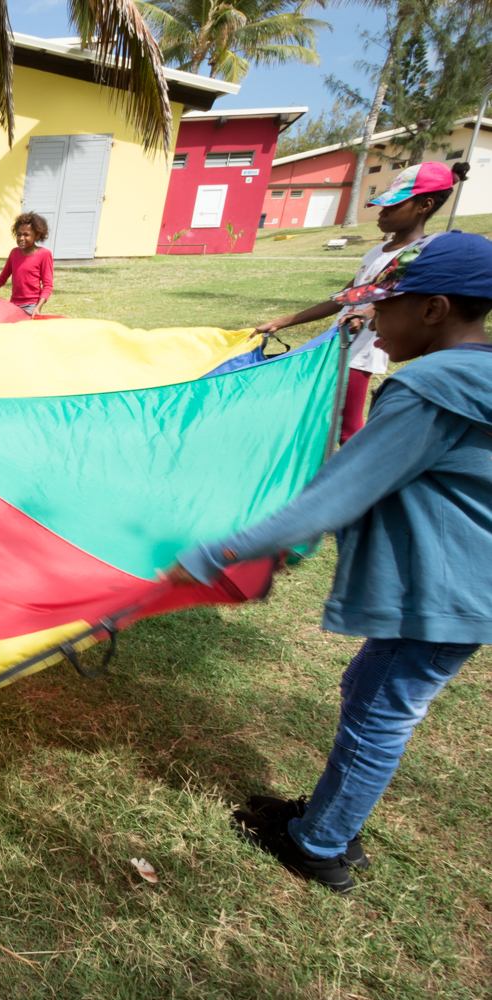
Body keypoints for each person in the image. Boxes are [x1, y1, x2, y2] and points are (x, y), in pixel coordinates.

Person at [168, 231, 492, 893]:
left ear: (434, 310)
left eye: (387, 305)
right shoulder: (479, 374)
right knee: (370, 691)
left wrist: (212, 554)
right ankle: (331, 817)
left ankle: (319, 843)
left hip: (443, 592)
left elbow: (337, 494)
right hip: (464, 587)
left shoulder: (430, 387)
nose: (372, 317)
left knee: (379, 712)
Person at [254, 161, 470, 443]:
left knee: (347, 427)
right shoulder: (377, 251)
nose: (382, 213)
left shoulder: (418, 254)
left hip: (363, 351)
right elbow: (344, 300)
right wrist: (282, 322)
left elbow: (395, 297)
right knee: (321, 415)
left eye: (393, 207)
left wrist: (365, 315)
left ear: (424, 206)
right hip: (339, 345)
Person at [0, 213, 53, 315]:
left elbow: (48, 285)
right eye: (19, 234)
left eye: (26, 234)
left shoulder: (44, 254)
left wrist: (37, 307)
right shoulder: (14, 253)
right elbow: (1, 279)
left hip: (31, 306)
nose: (21, 238)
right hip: (13, 304)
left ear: (37, 235)